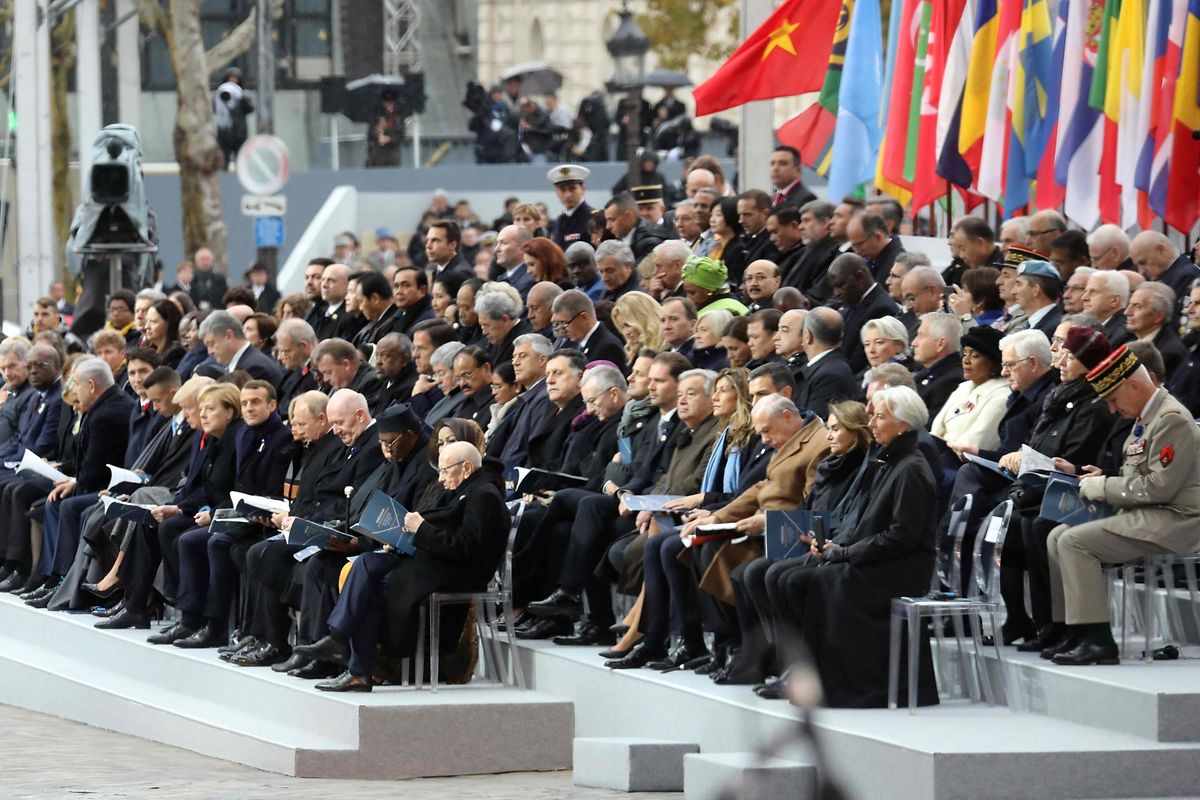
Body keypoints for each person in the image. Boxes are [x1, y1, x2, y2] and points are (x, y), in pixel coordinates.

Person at [296, 441, 509, 691]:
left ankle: (354, 664)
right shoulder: (467, 488)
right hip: (429, 560)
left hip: (454, 573)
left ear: (467, 468)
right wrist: (399, 540)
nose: (440, 479)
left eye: (444, 471)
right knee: (366, 562)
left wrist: (421, 529)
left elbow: (465, 547)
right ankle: (339, 641)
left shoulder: (484, 496)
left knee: (372, 587)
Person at [1042, 347, 1200, 666]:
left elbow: (1158, 487)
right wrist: (1105, 478)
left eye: (1114, 399)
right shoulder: (1148, 416)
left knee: (1074, 542)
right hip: (1148, 513)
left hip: (1177, 521)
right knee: (1056, 535)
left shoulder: (1171, 420)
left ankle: (1098, 640)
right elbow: (1141, 477)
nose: (1113, 409)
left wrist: (1102, 487)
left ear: (1134, 385)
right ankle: (1074, 630)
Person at [786, 385, 938, 707]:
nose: (872, 424)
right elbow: (863, 521)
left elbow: (902, 536)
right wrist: (835, 546)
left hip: (901, 568)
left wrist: (847, 554)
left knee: (822, 580)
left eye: (880, 417)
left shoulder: (911, 468)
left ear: (904, 424)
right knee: (805, 576)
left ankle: (849, 686)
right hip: (881, 558)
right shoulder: (889, 461)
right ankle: (821, 681)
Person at [550, 290, 627, 370]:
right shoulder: (570, 343)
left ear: (584, 317)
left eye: (564, 323)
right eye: (557, 324)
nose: (562, 330)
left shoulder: (609, 347)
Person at [611, 292, 664, 366]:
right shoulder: (636, 350)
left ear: (643, 318)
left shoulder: (668, 347)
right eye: (622, 327)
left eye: (628, 325)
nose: (626, 332)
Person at [213, 68, 253, 166]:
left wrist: (242, 99)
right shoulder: (219, 93)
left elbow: (250, 109)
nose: (233, 81)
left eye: (235, 78)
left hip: (239, 131)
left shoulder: (242, 94)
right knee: (223, 158)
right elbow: (215, 108)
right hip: (224, 131)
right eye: (230, 78)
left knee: (240, 158)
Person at [366, 88, 404, 167]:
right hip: (378, 157)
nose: (389, 105)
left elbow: (401, 136)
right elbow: (370, 135)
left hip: (393, 157)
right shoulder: (376, 115)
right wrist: (377, 132)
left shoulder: (398, 116)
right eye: (387, 102)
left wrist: (389, 139)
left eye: (391, 102)